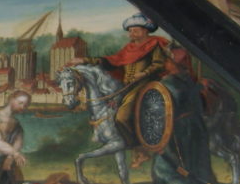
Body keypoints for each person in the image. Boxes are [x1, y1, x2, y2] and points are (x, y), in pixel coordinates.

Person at [69, 11, 169, 152]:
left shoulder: (154, 44)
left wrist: (144, 73)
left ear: (145, 31)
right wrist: (85, 60)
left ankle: (139, 147)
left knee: (122, 117)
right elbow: (111, 61)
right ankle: (129, 144)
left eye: (135, 30)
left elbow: (159, 64)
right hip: (126, 86)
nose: (131, 34)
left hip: (145, 85)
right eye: (130, 31)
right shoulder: (129, 49)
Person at [152, 47, 219, 184]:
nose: (165, 63)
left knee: (164, 168)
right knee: (186, 169)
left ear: (175, 64)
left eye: (168, 60)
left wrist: (157, 139)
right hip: (196, 129)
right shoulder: (189, 81)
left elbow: (161, 112)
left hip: (177, 131)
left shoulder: (168, 83)